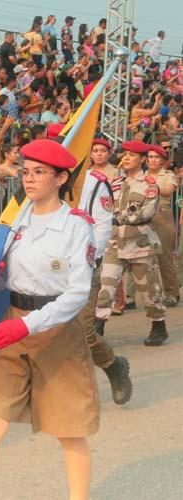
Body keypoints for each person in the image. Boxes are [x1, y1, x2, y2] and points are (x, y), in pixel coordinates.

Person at [0, 139, 98, 500]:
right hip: (11, 327)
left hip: (56, 332)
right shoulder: (13, 220)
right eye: (25, 171)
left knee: (69, 433)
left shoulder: (77, 226)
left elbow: (77, 293)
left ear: (61, 178)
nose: (28, 179)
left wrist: (27, 325)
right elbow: (7, 277)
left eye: (39, 173)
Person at [71, 137, 133, 405]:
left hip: (81, 268)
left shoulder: (95, 183)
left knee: (84, 332)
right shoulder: (39, 180)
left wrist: (90, 258)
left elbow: (103, 225)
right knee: (52, 331)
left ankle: (112, 365)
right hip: (47, 270)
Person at [95, 141, 168, 346]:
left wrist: (121, 218)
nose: (126, 158)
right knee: (106, 286)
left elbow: (147, 211)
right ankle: (97, 328)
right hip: (115, 243)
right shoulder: (116, 183)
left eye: (132, 155)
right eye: (125, 154)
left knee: (148, 290)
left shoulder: (150, 185)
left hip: (140, 244)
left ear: (143, 159)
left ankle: (158, 325)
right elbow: (105, 207)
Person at [145, 144, 179, 306]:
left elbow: (167, 191)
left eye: (156, 157)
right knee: (139, 257)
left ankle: (172, 294)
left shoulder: (168, 174)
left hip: (162, 218)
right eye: (150, 157)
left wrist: (150, 183)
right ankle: (135, 297)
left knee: (164, 258)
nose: (152, 160)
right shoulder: (140, 174)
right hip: (142, 218)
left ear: (162, 161)